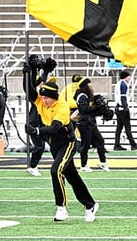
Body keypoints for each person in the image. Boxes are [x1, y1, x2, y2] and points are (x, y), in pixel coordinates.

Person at [25, 79, 99, 222]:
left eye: (46, 98)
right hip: (55, 146)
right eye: (43, 97)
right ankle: (90, 205)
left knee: (55, 170)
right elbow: (29, 91)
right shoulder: (42, 102)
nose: (43, 100)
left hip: (68, 144)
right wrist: (28, 73)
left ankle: (61, 208)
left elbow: (54, 128)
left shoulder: (62, 107)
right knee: (73, 177)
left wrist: (36, 131)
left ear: (53, 97)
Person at [73, 76, 110, 172]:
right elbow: (85, 109)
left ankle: (103, 162)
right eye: (90, 84)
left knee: (100, 141)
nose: (91, 85)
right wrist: (96, 106)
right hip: (84, 123)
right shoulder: (81, 96)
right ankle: (83, 165)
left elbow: (92, 111)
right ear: (85, 85)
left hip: (91, 123)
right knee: (86, 145)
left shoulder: (88, 96)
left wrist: (102, 111)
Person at [113, 70, 137, 151]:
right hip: (122, 108)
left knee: (119, 128)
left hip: (117, 107)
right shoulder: (123, 84)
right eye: (128, 76)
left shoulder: (118, 84)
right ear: (125, 77)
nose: (129, 78)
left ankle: (116, 144)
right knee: (127, 127)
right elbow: (123, 97)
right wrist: (125, 107)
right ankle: (133, 144)